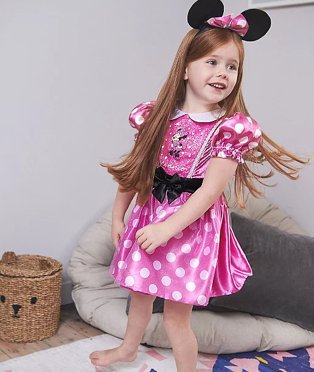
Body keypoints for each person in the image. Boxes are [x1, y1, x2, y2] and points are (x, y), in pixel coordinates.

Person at [90, 0, 308, 371]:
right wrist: (117, 216)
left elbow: (209, 192)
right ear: (187, 67)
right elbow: (136, 169)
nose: (223, 72)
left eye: (232, 66)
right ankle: (128, 348)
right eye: (212, 61)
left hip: (189, 227)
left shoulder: (229, 129)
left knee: (176, 317)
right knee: (139, 294)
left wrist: (167, 229)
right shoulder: (156, 115)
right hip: (150, 212)